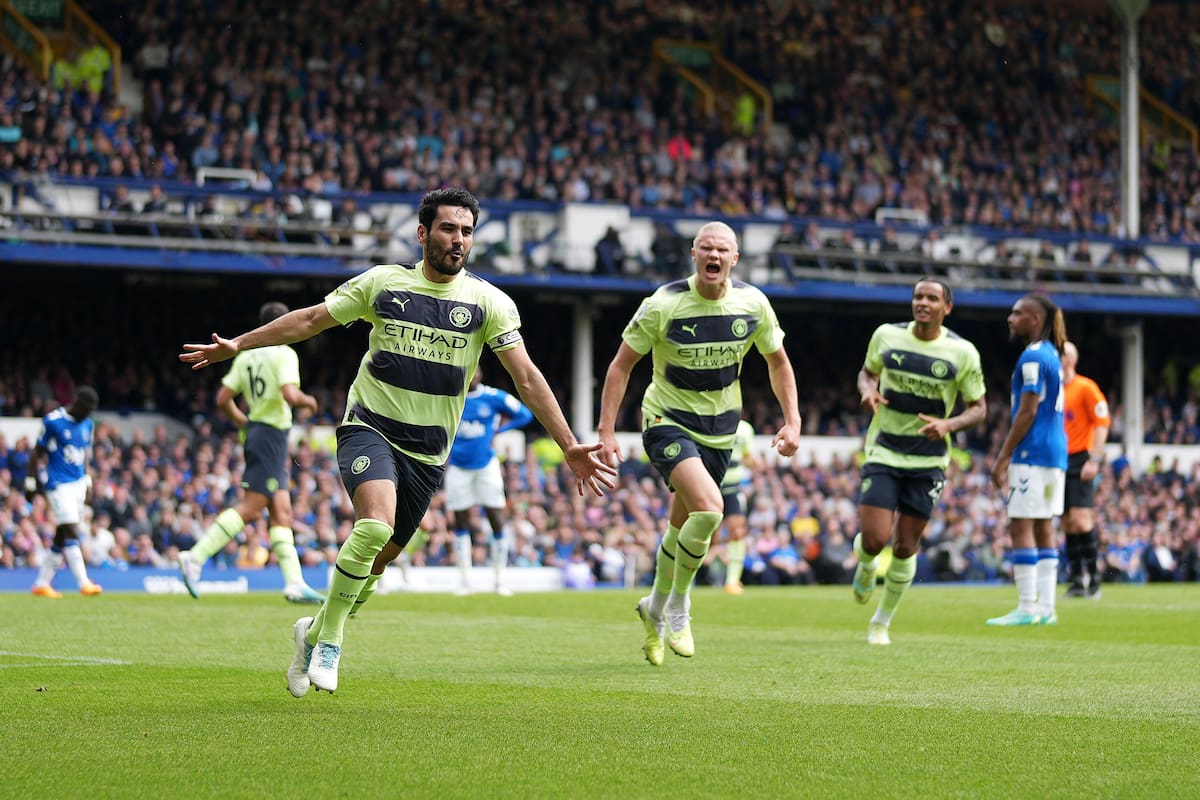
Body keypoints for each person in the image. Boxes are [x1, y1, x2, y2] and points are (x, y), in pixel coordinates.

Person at [180, 187, 615, 695]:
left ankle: (312, 631)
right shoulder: (384, 284)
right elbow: (311, 320)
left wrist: (567, 444)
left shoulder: (489, 302)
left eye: (467, 231)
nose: (458, 240)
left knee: (379, 562)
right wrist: (239, 344)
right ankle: (331, 643)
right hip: (370, 428)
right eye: (449, 228)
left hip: (428, 454)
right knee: (373, 526)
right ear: (423, 232)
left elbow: (527, 377)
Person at [596, 220, 802, 666]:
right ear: (694, 254)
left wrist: (793, 419)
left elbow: (778, 362)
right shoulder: (663, 304)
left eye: (722, 249)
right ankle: (677, 607)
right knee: (711, 509)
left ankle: (651, 607)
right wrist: (606, 431)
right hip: (666, 420)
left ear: (734, 258)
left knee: (680, 527)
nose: (714, 255)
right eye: (706, 247)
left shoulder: (753, 303)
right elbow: (620, 366)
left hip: (722, 430)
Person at [851, 278, 987, 645]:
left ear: (947, 307)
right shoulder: (887, 336)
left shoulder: (962, 353)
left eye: (931, 298)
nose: (922, 303)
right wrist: (868, 391)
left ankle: (881, 622)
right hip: (884, 448)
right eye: (917, 296)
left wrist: (948, 424)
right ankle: (865, 564)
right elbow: (867, 373)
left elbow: (978, 409)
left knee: (906, 545)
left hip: (928, 459)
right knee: (876, 539)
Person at [177, 301, 325, 604]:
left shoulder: (246, 357)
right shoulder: (284, 352)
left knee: (281, 511)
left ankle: (295, 583)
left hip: (261, 433)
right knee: (253, 507)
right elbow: (289, 394)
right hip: (271, 434)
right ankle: (195, 556)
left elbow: (222, 399)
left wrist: (244, 423)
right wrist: (309, 401)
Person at [987, 294, 1068, 626]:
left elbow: (1027, 411)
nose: (1010, 318)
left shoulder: (1032, 358)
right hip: (1055, 455)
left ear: (1035, 319)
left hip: (1031, 454)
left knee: (1021, 526)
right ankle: (1046, 608)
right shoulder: (1052, 355)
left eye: (1017, 313)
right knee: (1043, 526)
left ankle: (1026, 607)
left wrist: (1003, 456)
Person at [446, 367, 534, 596]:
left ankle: (499, 580)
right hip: (457, 467)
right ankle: (464, 581)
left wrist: (501, 429)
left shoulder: (494, 397)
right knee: (461, 522)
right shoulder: (450, 397)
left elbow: (524, 414)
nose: (472, 376)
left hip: (487, 465)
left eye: (475, 372)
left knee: (497, 518)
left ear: (481, 375)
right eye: (468, 373)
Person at [29, 386, 104, 598]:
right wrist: (30, 482)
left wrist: (88, 481)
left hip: (78, 483)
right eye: (87, 409)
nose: (89, 414)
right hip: (57, 484)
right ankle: (84, 583)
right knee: (71, 529)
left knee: (62, 533)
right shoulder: (53, 421)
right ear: (77, 403)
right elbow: (37, 452)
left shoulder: (87, 424)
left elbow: (84, 455)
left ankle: (42, 583)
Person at [1060, 341, 1110, 599]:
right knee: (1067, 522)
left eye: (1065, 353)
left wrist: (1095, 459)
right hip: (1058, 460)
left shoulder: (1086, 387)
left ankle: (1095, 578)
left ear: (1073, 359)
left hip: (1081, 459)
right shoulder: (1053, 390)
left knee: (1081, 519)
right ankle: (1078, 579)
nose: (1061, 357)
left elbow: (1102, 422)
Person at [719, 417, 758, 595]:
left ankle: (732, 581)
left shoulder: (746, 429)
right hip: (710, 485)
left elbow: (746, 456)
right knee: (703, 532)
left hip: (733, 488)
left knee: (737, 532)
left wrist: (755, 463)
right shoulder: (712, 420)